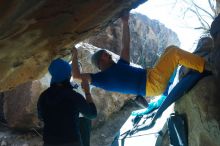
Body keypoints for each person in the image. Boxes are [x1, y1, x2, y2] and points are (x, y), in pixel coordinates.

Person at [71, 12, 211, 107]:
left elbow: (126, 44)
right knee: (174, 52)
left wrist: (125, 22)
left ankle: (199, 64)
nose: (108, 54)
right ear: (100, 63)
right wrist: (74, 54)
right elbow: (76, 76)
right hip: (152, 84)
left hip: (152, 79)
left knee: (170, 50)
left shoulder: (120, 65)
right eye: (104, 55)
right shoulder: (101, 79)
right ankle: (207, 66)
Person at [37, 58, 97, 146]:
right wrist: (87, 92)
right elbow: (92, 114)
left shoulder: (43, 96)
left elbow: (41, 117)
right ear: (68, 75)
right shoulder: (73, 95)